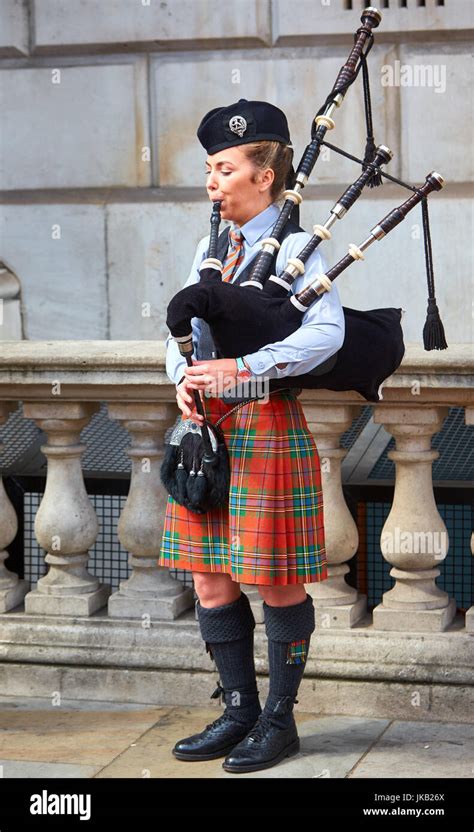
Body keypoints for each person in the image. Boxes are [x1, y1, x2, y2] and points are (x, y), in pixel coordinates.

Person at [158, 98, 345, 774]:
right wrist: (182, 375)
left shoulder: (298, 248)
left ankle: (278, 720)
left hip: (264, 421)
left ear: (263, 174)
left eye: (224, 167)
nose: (212, 181)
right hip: (204, 427)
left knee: (277, 582)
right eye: (209, 168)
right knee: (210, 579)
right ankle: (238, 708)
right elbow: (178, 333)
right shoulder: (208, 251)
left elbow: (327, 335)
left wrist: (247, 365)